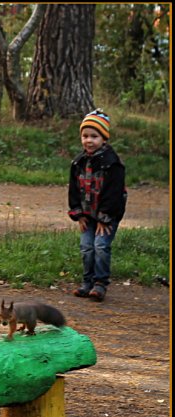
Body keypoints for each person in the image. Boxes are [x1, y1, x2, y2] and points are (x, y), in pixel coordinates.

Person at [67, 109, 127, 302]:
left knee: (101, 246)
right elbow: (74, 190)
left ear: (104, 138)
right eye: (85, 136)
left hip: (107, 216)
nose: (89, 140)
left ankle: (100, 283)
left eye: (94, 136)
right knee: (86, 247)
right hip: (87, 214)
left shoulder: (113, 163)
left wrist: (105, 217)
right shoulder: (78, 162)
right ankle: (87, 282)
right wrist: (78, 213)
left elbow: (114, 193)